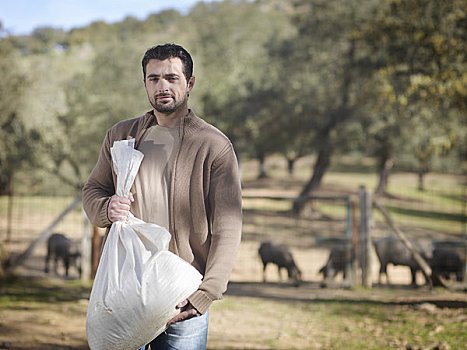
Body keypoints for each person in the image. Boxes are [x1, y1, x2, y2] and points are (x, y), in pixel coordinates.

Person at [82, 43, 242, 349]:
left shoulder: (214, 146)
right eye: (153, 79)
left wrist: (207, 292)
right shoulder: (121, 135)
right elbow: (92, 190)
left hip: (182, 291)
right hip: (125, 286)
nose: (162, 86)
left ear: (190, 83)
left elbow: (228, 227)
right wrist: (106, 207)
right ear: (144, 83)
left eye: (171, 77)